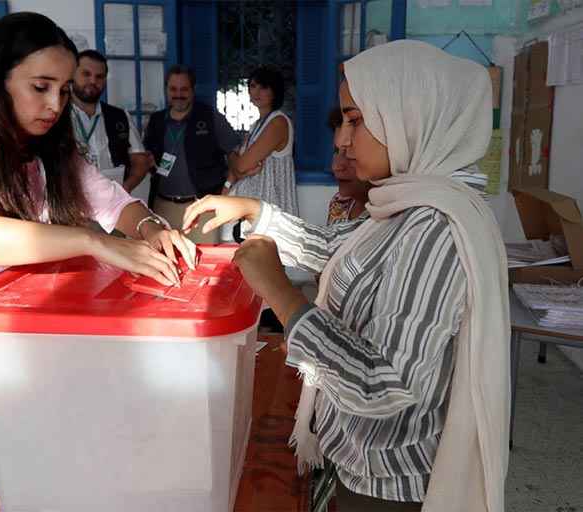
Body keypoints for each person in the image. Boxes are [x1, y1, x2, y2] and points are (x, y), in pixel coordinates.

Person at [183, 40, 509, 511]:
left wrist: (283, 295)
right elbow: (339, 250)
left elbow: (385, 384)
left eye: (355, 120)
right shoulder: (405, 203)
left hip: (389, 486)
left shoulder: (437, 226)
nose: (340, 140)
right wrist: (254, 210)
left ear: (409, 117)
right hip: (359, 461)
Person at [0, 13, 196, 510]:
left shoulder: (49, 149)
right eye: (40, 87)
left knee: (41, 482)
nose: (55, 104)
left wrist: (152, 229)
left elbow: (112, 200)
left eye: (64, 89)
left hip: (17, 337)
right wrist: (92, 243)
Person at [143, 65, 240, 244]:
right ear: (166, 90)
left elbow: (237, 152)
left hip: (201, 209)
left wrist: (227, 188)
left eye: (184, 89)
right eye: (173, 89)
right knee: (163, 257)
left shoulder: (210, 117)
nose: (178, 94)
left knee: (203, 258)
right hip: (161, 208)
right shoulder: (156, 121)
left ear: (193, 90)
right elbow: (147, 158)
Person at [70, 49, 151, 200]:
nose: (93, 81)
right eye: (86, 74)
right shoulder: (57, 117)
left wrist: (127, 186)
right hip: (72, 203)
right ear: (72, 75)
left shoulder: (120, 117)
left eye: (99, 76)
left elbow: (140, 160)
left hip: (112, 203)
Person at [225, 67, 298, 217]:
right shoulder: (256, 125)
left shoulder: (278, 122)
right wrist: (236, 164)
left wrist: (234, 160)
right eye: (253, 86)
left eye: (263, 87)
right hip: (252, 208)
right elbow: (237, 167)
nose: (256, 91)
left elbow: (241, 165)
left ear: (275, 92)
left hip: (271, 208)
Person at [325, 106, 372, 226]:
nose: (336, 166)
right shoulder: (339, 204)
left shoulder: (393, 216)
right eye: (336, 150)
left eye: (350, 152)